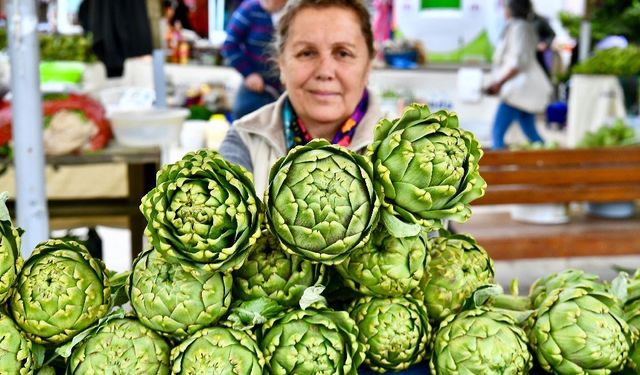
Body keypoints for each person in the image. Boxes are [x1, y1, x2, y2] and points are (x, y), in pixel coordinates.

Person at [219, 0, 383, 196]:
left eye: (343, 53)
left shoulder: (409, 148)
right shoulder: (245, 141)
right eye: (307, 53)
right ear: (281, 64)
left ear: (368, 65)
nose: (324, 71)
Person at [486, 0, 552, 149]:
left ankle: (499, 169)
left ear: (512, 9)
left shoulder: (519, 27)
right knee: (531, 132)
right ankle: (548, 163)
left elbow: (518, 62)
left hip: (517, 89)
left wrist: (499, 82)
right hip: (522, 89)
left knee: (497, 131)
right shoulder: (522, 26)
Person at [222, 0, 288, 120]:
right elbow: (229, 45)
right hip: (256, 88)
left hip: (286, 90)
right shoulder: (249, 9)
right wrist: (249, 74)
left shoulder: (293, 12)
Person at [532, 12, 555, 77]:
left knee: (543, 73)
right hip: (526, 53)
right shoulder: (519, 20)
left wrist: (545, 44)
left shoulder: (540, 20)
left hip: (539, 53)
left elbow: (552, 34)